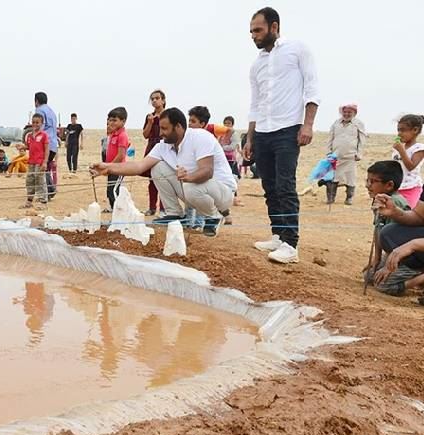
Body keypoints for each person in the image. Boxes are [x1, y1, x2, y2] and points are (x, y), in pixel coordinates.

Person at [245, 6, 320, 264]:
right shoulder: (257, 65)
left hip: (288, 129)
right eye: (251, 31)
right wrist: (250, 138)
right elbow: (255, 103)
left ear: (274, 27)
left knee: (286, 186)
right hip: (263, 132)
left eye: (258, 30)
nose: (254, 35)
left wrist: (307, 125)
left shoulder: (297, 50)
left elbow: (312, 89)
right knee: (269, 186)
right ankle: (277, 236)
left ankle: (291, 244)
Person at [91, 108, 235, 237]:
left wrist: (189, 177)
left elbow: (207, 171)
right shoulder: (163, 146)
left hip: (222, 192)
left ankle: (213, 216)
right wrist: (108, 168)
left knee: (191, 187)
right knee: (158, 167)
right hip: (193, 189)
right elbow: (139, 166)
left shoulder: (200, 137)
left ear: (178, 127)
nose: (161, 133)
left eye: (164, 129)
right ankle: (174, 214)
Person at [362, 161, 422, 296]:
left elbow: (396, 238)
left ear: (389, 185)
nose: (367, 185)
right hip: (394, 251)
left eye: (373, 182)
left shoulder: (397, 202)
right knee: (369, 276)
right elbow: (379, 230)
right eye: (367, 181)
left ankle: (418, 278)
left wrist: (388, 267)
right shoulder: (380, 201)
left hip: (410, 256)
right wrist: (377, 258)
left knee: (383, 284)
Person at [326, 104, 366, 205]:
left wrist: (359, 153)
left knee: (350, 179)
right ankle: (331, 198)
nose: (347, 114)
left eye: (349, 112)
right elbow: (330, 138)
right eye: (345, 112)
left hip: (350, 157)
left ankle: (349, 198)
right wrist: (328, 152)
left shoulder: (358, 124)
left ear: (354, 113)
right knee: (333, 178)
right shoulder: (336, 123)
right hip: (335, 156)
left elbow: (362, 140)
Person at [16, 113, 49, 209]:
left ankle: (43, 202)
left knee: (40, 181)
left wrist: (45, 162)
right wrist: (22, 147)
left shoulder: (44, 135)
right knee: (30, 180)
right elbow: (29, 147)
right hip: (31, 162)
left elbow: (46, 149)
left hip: (40, 162)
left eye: (37, 122)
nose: (35, 124)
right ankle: (29, 201)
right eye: (33, 122)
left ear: (42, 123)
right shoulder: (30, 136)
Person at [391, 114, 424, 208]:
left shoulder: (419, 148)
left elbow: (411, 166)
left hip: (411, 188)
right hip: (397, 187)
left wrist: (401, 151)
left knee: (408, 213)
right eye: (398, 130)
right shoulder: (400, 147)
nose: (399, 133)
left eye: (403, 130)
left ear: (415, 130)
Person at [142, 90, 166, 216]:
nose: (155, 100)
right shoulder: (149, 117)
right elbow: (145, 135)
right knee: (152, 179)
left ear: (163, 100)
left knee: (164, 179)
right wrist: (150, 123)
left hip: (164, 148)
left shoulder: (167, 115)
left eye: (157, 98)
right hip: (152, 147)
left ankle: (163, 209)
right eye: (152, 99)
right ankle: (152, 207)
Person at [104, 107, 130, 212]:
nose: (111, 122)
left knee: (114, 191)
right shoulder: (112, 135)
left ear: (123, 121)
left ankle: (119, 212)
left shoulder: (122, 136)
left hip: (118, 169)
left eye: (114, 120)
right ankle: (113, 210)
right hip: (111, 168)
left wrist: (109, 166)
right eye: (109, 120)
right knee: (110, 190)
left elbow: (121, 155)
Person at [34, 92, 58, 198]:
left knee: (41, 167)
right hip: (53, 143)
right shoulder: (51, 111)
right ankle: (50, 189)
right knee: (46, 167)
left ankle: (47, 191)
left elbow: (40, 127)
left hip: (44, 143)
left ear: (36, 101)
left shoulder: (39, 110)